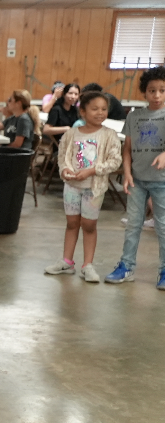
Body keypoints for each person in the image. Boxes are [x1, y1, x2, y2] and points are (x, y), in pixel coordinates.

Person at [43, 92, 123, 283]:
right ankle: (67, 262)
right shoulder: (72, 134)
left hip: (93, 188)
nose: (100, 113)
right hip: (72, 186)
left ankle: (87, 265)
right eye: (95, 109)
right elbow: (63, 156)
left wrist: (91, 171)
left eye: (104, 109)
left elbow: (114, 161)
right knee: (71, 224)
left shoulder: (109, 135)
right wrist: (65, 171)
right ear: (83, 111)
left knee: (89, 225)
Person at [104, 66, 165, 290]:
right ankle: (126, 266)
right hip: (137, 181)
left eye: (162, 90)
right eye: (152, 91)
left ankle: (164, 270)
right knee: (133, 225)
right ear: (144, 92)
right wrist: (127, 173)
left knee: (163, 227)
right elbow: (127, 149)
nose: (157, 95)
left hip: (162, 182)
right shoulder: (134, 116)